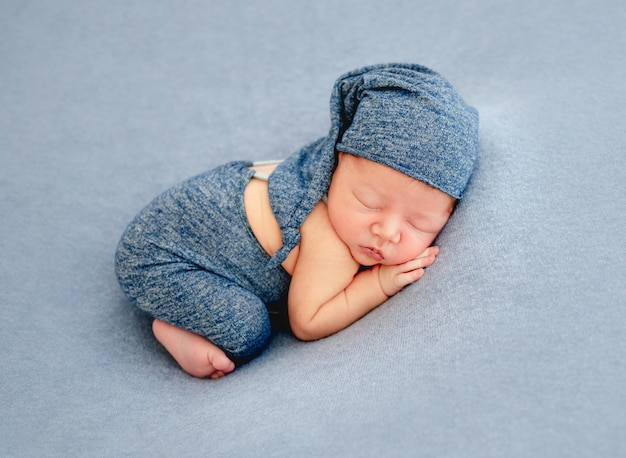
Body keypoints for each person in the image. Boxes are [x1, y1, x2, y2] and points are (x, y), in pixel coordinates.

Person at [115, 63, 479, 379]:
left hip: (188, 215)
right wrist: (379, 284)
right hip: (159, 256)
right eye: (367, 202)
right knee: (247, 331)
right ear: (335, 167)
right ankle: (169, 327)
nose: (386, 231)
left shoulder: (344, 183)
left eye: (418, 223)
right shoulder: (328, 238)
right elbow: (308, 321)